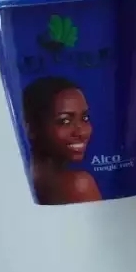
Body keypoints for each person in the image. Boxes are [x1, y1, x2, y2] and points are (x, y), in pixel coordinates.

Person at [22, 76, 101, 204]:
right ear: (31, 128)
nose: (82, 132)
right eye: (65, 121)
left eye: (85, 118)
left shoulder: (25, 180)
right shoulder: (78, 184)